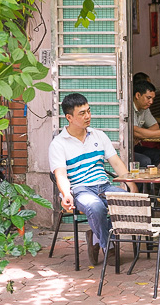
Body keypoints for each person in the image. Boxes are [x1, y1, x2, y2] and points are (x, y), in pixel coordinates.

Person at [48, 93, 138, 266]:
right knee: (95, 206)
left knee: (128, 200)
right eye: (82, 113)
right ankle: (109, 247)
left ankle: (95, 237)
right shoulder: (58, 144)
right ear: (69, 117)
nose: (88, 116)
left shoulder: (99, 135)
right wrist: (66, 194)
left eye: (88, 111)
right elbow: (60, 175)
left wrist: (131, 184)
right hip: (80, 189)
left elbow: (117, 164)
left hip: (103, 186)